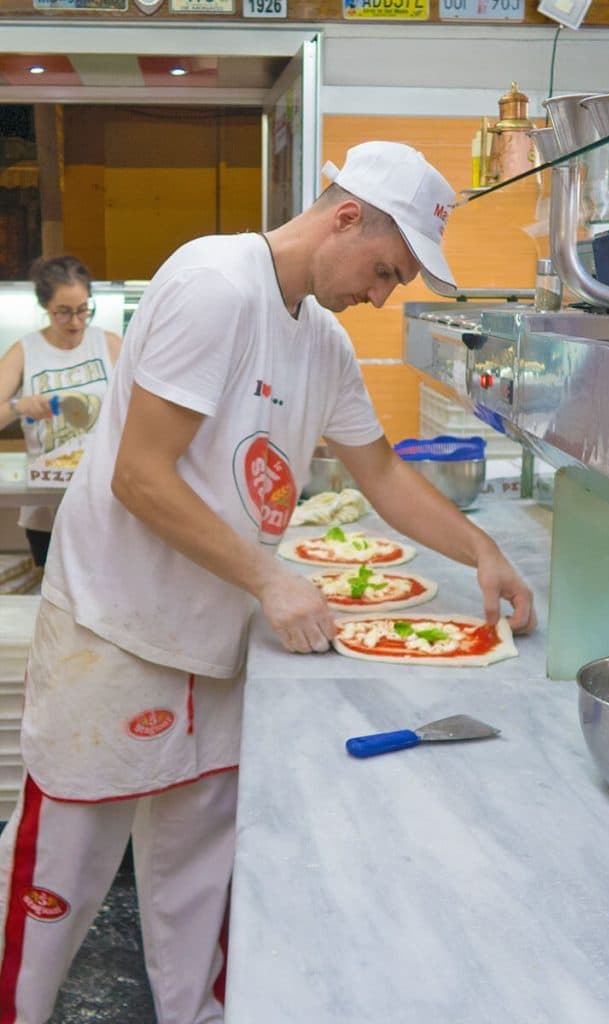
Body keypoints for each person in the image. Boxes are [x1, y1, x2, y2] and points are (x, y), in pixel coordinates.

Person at [0, 141, 536, 1023]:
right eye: (386, 270)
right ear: (346, 215)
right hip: (114, 634)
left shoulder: (321, 342)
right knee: (60, 881)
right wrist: (271, 579)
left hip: (215, 648)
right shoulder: (215, 284)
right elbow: (141, 475)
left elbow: (386, 477)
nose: (381, 293)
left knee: (195, 885)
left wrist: (480, 551)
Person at [0, 255, 122, 566]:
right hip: (46, 506)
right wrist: (17, 407)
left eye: (83, 309)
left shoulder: (108, 345)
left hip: (104, 498)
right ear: (46, 308)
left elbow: (140, 408)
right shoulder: (25, 350)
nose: (76, 321)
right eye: (64, 313)